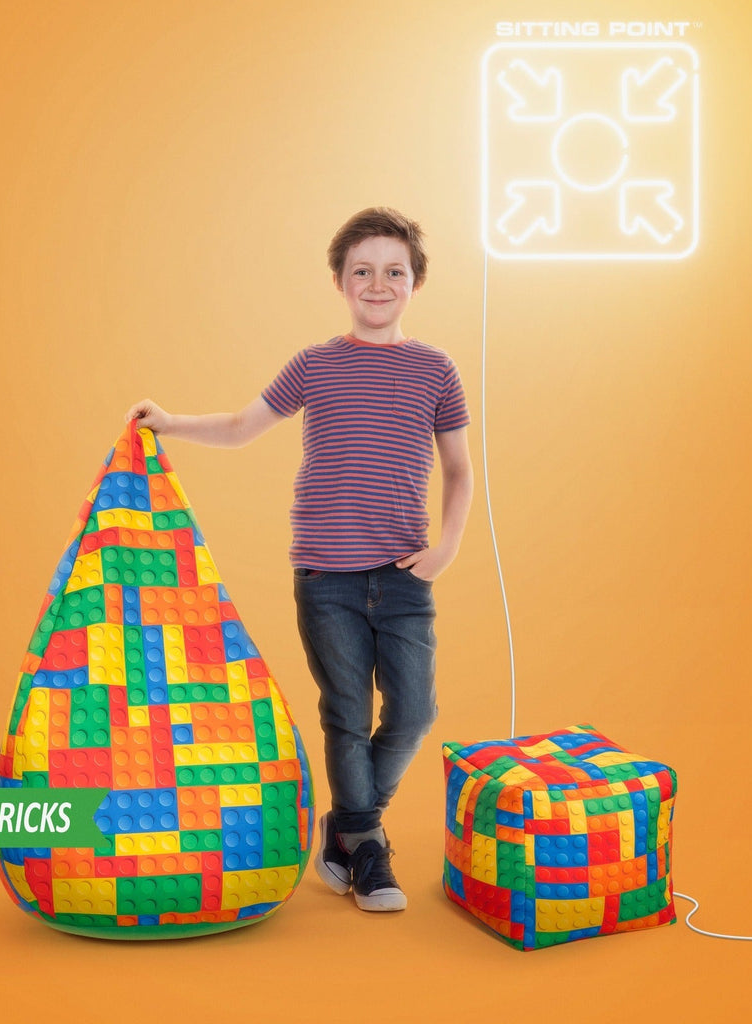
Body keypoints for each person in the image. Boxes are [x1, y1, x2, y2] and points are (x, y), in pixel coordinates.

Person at [127, 207, 473, 912]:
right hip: (325, 576)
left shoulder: (437, 368)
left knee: (413, 711)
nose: (379, 284)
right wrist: (171, 423)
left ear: (416, 283)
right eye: (363, 272)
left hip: (404, 574)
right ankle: (370, 850)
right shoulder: (315, 364)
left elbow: (460, 470)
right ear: (342, 282)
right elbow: (241, 426)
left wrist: (445, 550)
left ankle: (347, 830)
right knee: (346, 712)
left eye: (394, 272)